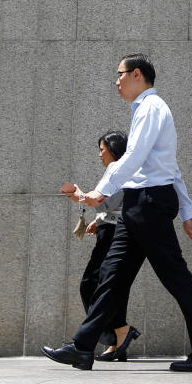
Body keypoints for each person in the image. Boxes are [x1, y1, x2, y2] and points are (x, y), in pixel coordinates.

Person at [42, 54, 192, 372]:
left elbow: (135, 155)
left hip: (150, 203)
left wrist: (103, 190)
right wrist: (187, 211)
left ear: (136, 74)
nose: (116, 81)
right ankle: (83, 347)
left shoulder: (152, 108)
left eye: (120, 74)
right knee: (111, 277)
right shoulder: (143, 109)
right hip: (140, 204)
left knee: (175, 276)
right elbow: (170, 168)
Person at [61, 130, 140, 361]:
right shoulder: (115, 171)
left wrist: (81, 196)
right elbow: (111, 206)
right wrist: (98, 219)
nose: (99, 155)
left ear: (114, 150)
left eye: (102, 150)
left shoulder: (122, 172)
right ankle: (117, 339)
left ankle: (119, 332)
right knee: (111, 288)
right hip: (110, 229)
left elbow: (108, 201)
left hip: (117, 233)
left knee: (93, 285)